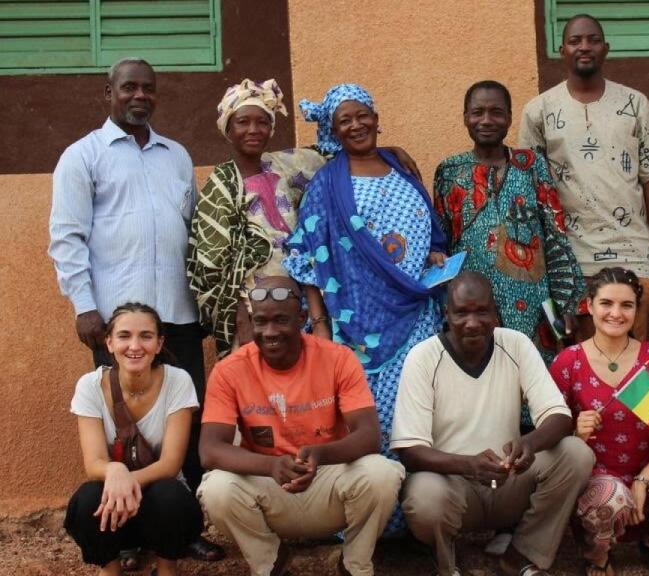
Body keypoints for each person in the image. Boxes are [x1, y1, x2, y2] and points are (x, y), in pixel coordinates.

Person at [48, 57, 222, 563]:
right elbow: (67, 238)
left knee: (183, 426)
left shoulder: (176, 156)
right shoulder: (84, 157)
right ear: (109, 93)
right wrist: (84, 306)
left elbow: (195, 236)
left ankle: (180, 528)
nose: (139, 96)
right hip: (117, 326)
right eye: (129, 88)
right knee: (119, 432)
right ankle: (122, 532)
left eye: (148, 88)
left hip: (178, 316)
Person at [283, 83, 446, 535]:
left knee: (416, 421)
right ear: (333, 131)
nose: (357, 125)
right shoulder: (326, 186)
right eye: (344, 121)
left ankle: (416, 522)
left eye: (363, 115)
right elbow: (306, 257)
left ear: (376, 116)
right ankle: (368, 525)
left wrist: (434, 254)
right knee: (369, 423)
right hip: (356, 330)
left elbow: (429, 230)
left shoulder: (401, 168)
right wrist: (318, 324)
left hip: (416, 318)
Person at [197, 276, 403, 576]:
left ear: (302, 319)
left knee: (381, 474)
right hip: (269, 482)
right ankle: (270, 563)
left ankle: (354, 564)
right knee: (217, 489)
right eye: (261, 322)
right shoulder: (229, 370)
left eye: (281, 320)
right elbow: (210, 450)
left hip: (326, 479)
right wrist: (271, 466)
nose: (270, 332)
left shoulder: (337, 358)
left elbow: (369, 436)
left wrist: (319, 455)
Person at [391, 272, 594, 576]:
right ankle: (447, 561)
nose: (472, 322)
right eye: (461, 312)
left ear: (495, 313)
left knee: (576, 453)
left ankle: (522, 554)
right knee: (422, 496)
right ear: (446, 314)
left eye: (482, 311)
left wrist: (529, 444)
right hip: (453, 487)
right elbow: (410, 450)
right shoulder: (423, 358)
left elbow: (560, 417)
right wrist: (468, 465)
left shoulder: (516, 345)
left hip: (508, 480)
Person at [520, 14, 649, 342]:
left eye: (592, 39)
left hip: (634, 255)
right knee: (584, 370)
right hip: (572, 261)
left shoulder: (635, 105)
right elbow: (531, 192)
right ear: (562, 50)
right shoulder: (539, 111)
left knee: (634, 371)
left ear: (606, 48)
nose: (584, 47)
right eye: (575, 41)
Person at [551, 267, 649, 576]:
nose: (616, 313)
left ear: (636, 309)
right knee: (608, 497)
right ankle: (598, 553)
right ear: (589, 306)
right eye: (606, 303)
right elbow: (550, 434)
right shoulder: (569, 361)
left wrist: (644, 480)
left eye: (626, 305)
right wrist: (574, 431)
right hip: (598, 481)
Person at [433, 80, 585, 362]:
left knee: (532, 379)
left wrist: (564, 305)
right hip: (471, 308)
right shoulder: (449, 171)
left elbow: (555, 234)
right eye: (477, 112)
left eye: (496, 112)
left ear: (510, 118)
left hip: (532, 305)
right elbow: (441, 242)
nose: (487, 120)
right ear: (465, 117)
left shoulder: (532, 165)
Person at [188, 78, 326, 358]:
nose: (254, 130)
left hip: (300, 305)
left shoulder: (287, 165)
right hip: (254, 315)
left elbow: (341, 151)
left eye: (262, 122)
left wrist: (389, 152)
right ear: (228, 128)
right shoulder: (221, 185)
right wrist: (242, 321)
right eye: (243, 122)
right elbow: (213, 267)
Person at [64, 302, 203, 576]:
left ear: (160, 343)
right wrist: (114, 470)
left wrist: (126, 482)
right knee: (86, 500)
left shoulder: (178, 381)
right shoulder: (89, 386)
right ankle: (110, 569)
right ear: (109, 343)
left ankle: (167, 568)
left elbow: (170, 465)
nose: (135, 346)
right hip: (112, 509)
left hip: (162, 512)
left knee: (170, 494)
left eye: (146, 336)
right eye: (124, 336)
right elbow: (94, 464)